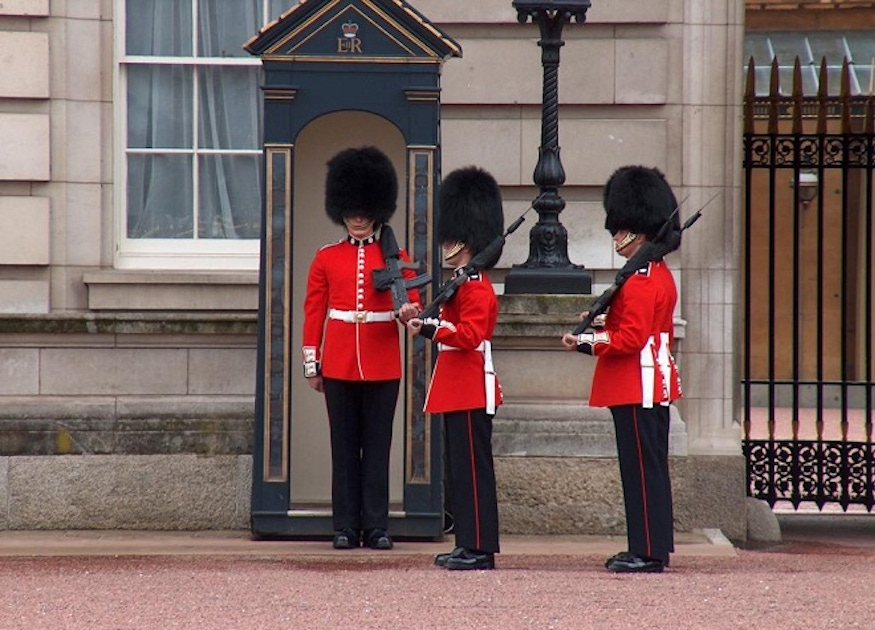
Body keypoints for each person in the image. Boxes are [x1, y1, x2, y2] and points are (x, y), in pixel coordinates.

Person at [561, 165, 683, 573]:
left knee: (641, 473)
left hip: (638, 383)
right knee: (647, 470)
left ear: (639, 230)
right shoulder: (650, 274)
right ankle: (651, 546)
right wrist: (598, 323)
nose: (615, 236)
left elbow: (630, 339)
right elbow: (632, 327)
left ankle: (647, 552)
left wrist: (585, 342)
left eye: (620, 229)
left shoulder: (642, 280)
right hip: (646, 382)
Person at [302, 146, 422, 551]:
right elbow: (313, 314)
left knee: (377, 447)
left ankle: (375, 525)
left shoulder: (396, 257)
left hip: (382, 363)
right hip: (337, 363)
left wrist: (409, 312)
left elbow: (413, 306)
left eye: (363, 210)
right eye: (351, 210)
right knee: (343, 446)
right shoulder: (326, 257)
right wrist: (311, 364)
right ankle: (345, 526)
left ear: (376, 209)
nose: (357, 217)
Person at [406, 166, 504, 571]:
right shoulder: (461, 283)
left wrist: (429, 327)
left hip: (470, 386)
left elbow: (468, 335)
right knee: (460, 472)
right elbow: (446, 326)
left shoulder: (477, 286)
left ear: (464, 241)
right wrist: (418, 317)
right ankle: (468, 541)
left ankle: (479, 547)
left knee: (473, 472)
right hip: (455, 385)